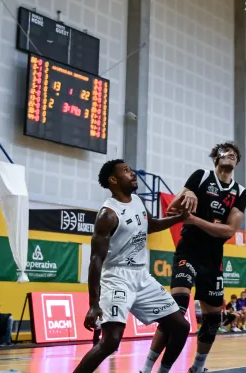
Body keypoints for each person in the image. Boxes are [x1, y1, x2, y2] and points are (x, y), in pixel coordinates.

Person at [72, 160, 191, 373]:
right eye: (126, 171)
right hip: (117, 276)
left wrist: (178, 218)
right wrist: (93, 303)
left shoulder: (137, 201)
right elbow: (95, 260)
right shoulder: (108, 214)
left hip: (141, 275)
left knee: (181, 327)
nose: (133, 173)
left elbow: (151, 225)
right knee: (111, 341)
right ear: (113, 179)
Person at [143, 142, 246, 373]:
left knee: (212, 321)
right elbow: (171, 211)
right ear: (215, 159)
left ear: (237, 163)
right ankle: (147, 368)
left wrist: (194, 220)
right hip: (189, 250)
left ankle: (197, 368)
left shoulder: (241, 193)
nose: (230, 155)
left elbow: (229, 231)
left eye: (234, 154)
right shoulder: (201, 177)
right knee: (175, 313)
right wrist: (187, 193)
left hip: (212, 259)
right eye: (225, 152)